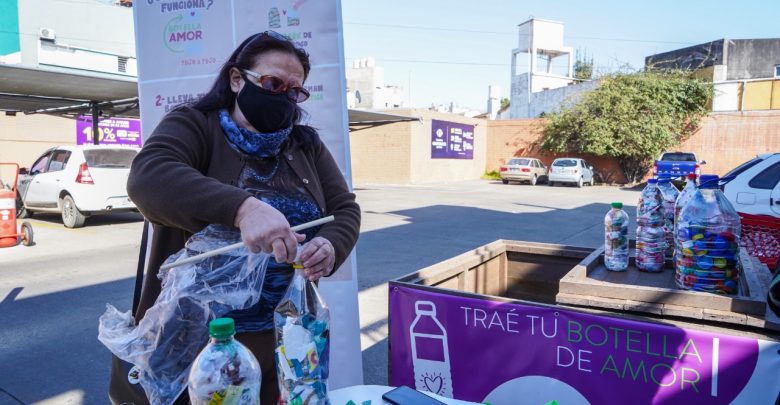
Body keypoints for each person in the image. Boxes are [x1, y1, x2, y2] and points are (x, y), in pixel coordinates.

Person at [127, 31, 360, 404]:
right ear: (237, 79)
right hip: (206, 345)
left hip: (289, 337)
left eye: (294, 90)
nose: (284, 95)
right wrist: (243, 208)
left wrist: (330, 245)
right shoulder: (195, 124)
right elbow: (148, 176)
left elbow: (344, 209)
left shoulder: (305, 145)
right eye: (272, 83)